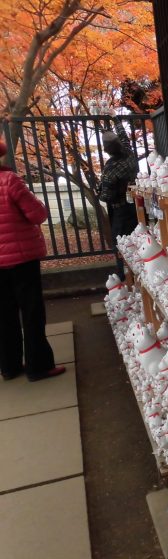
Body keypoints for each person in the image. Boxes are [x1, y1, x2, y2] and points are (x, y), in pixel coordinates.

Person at [0, 136, 66, 381]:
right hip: (21, 259)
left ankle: (9, 366)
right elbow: (37, 214)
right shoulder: (10, 181)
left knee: (4, 314)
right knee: (31, 312)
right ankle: (38, 365)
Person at [97, 111, 138, 280]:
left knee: (121, 246)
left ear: (107, 150)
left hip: (119, 211)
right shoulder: (129, 154)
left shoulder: (110, 168)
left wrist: (97, 190)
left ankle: (126, 279)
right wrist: (115, 118)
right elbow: (123, 136)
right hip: (134, 206)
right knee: (137, 243)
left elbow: (105, 196)